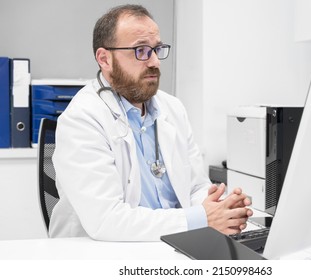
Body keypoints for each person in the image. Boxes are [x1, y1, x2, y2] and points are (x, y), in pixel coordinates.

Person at [49, 4, 252, 241]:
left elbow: (195, 188)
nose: (155, 61)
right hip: (105, 253)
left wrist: (220, 209)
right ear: (105, 58)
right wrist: (201, 218)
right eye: (141, 51)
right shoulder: (82, 120)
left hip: (172, 242)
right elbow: (107, 221)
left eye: (157, 49)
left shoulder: (173, 109)